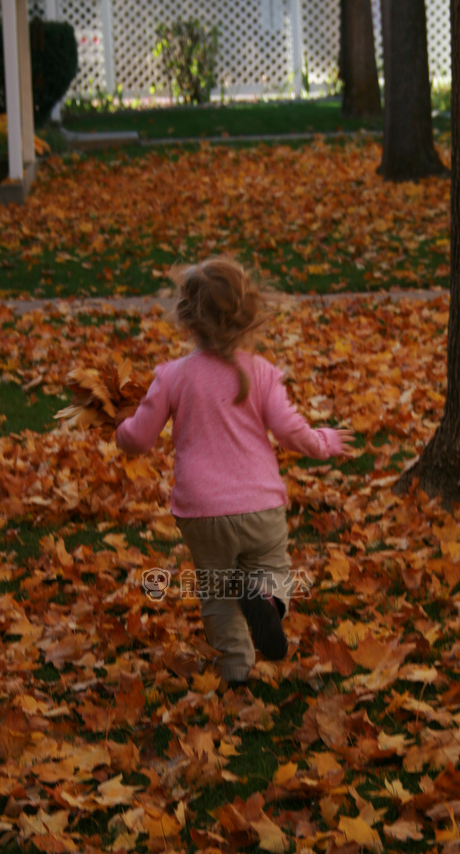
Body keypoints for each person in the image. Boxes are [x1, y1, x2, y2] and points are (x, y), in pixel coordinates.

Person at [115, 257, 354, 685]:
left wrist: (121, 430)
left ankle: (235, 670)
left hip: (201, 511)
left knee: (218, 592)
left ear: (187, 317)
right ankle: (268, 601)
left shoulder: (172, 376)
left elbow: (139, 439)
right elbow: (289, 431)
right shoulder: (260, 373)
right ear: (246, 313)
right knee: (271, 568)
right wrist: (324, 442)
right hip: (260, 504)